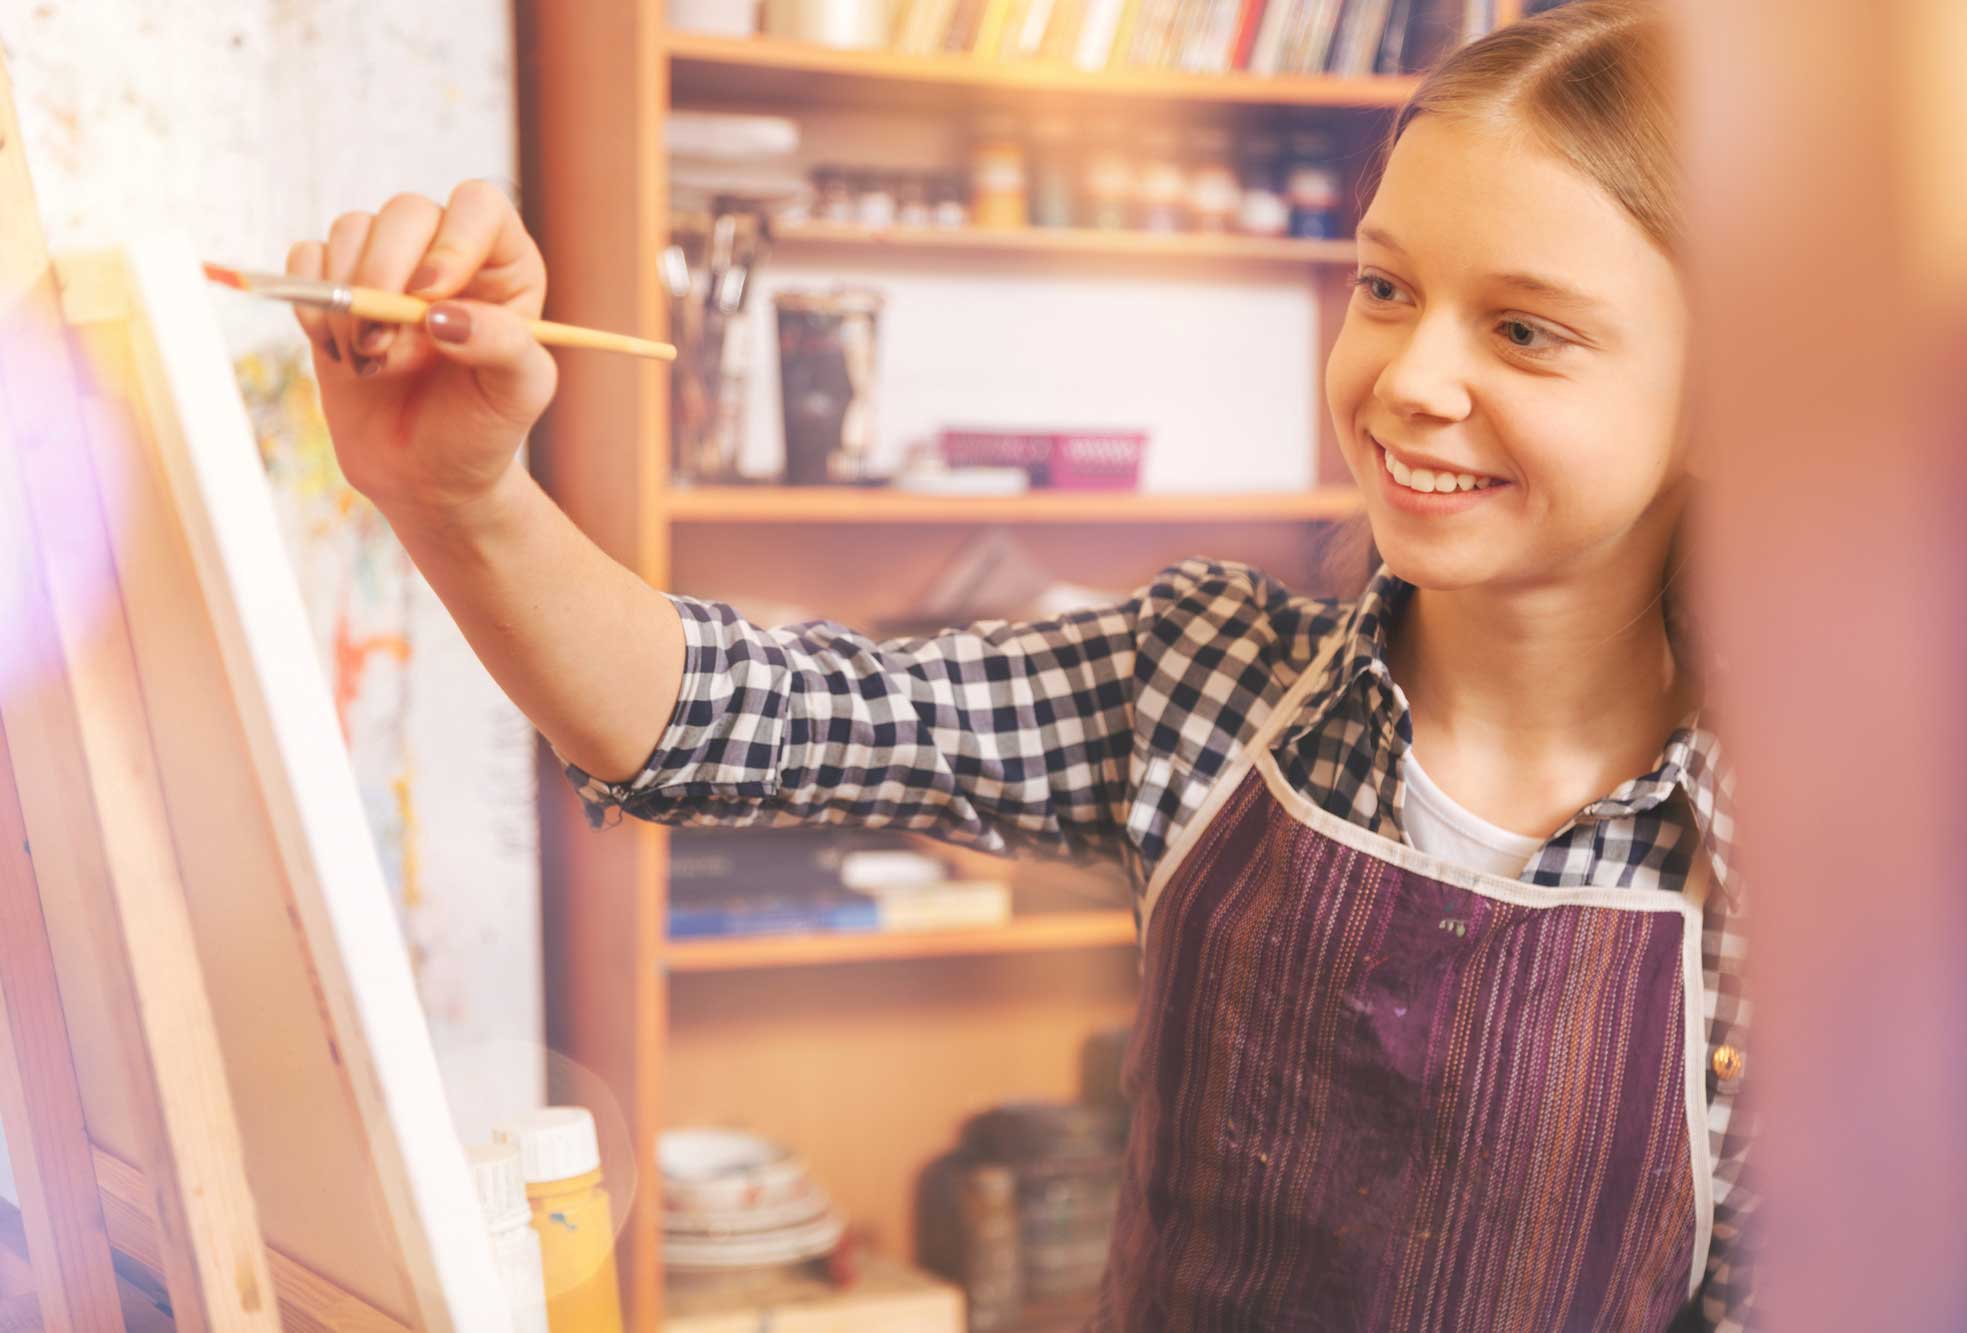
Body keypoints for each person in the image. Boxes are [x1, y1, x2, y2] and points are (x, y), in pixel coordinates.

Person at [287, 1, 1751, 1326]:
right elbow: (737, 720)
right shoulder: (1210, 681)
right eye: (1384, 288)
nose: (1414, 379)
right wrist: (464, 497)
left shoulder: (1803, 870)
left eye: (1525, 329)